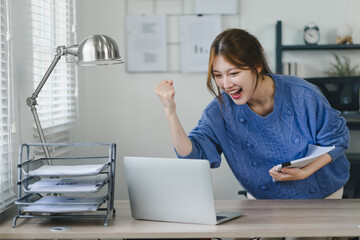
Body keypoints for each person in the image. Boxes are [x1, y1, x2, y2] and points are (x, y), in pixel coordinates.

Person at [154, 28, 350, 200]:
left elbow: (337, 139)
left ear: (257, 66)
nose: (226, 84)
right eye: (218, 75)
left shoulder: (303, 94)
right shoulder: (219, 111)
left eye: (234, 73)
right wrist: (170, 111)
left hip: (321, 193)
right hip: (265, 199)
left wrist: (305, 172)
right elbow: (194, 158)